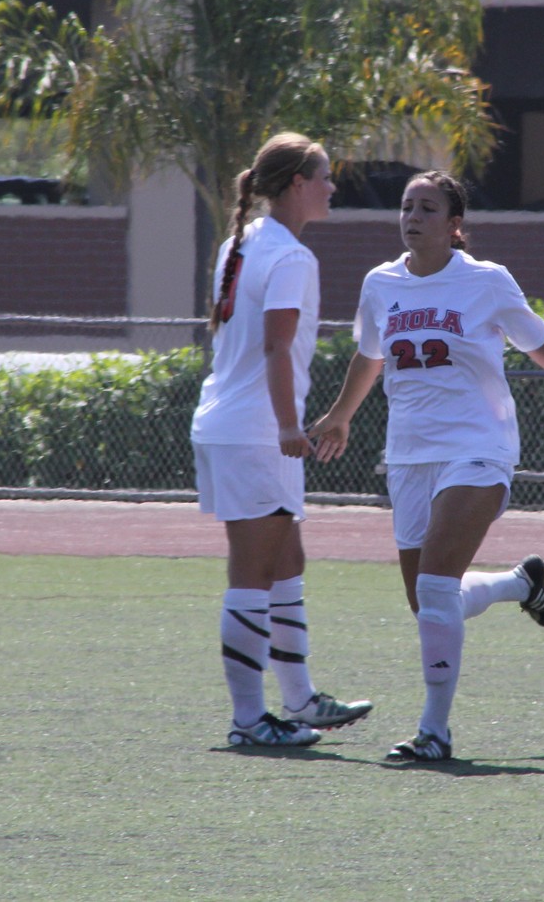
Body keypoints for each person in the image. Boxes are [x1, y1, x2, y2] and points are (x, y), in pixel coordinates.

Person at [309, 170, 544, 762]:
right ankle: (520, 584)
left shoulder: (486, 281)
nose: (413, 217)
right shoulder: (380, 283)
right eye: (407, 207)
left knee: (435, 588)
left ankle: (434, 732)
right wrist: (340, 416)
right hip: (409, 453)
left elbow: (538, 342)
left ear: (454, 224)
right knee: (429, 603)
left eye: (427, 208)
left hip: (478, 446)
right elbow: (369, 355)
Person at [190, 132, 373, 748]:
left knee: (287, 562)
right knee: (252, 574)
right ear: (297, 184)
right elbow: (274, 345)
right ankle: (248, 721)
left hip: (234, 425)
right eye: (324, 176)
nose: (332, 187)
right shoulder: (291, 256)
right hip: (254, 433)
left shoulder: (242, 242)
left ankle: (300, 700)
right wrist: (289, 426)